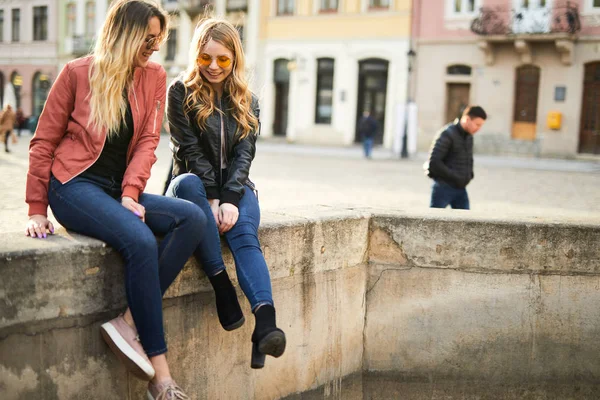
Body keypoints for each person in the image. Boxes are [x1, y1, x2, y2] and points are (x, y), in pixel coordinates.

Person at [24, 1, 201, 398]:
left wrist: (129, 194)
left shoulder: (154, 76)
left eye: (160, 39)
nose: (155, 46)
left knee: (191, 218)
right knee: (139, 240)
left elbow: (148, 142)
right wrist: (37, 208)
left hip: (115, 188)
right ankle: (162, 379)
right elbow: (43, 142)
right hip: (72, 185)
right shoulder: (76, 73)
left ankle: (127, 323)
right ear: (125, 32)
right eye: (149, 38)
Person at [166, 18, 286, 369]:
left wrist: (231, 198)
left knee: (245, 235)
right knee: (189, 184)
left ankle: (265, 324)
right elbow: (189, 149)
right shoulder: (180, 92)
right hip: (190, 186)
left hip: (236, 187)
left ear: (235, 59)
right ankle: (222, 288)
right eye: (206, 58)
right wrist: (214, 198)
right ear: (196, 57)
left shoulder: (249, 100)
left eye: (223, 59)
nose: (214, 67)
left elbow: (245, 154)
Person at [424, 105, 487, 210]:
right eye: (477, 124)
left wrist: (469, 175)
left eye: (481, 126)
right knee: (435, 222)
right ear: (467, 119)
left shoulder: (469, 136)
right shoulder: (447, 134)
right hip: (443, 188)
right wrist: (455, 177)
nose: (479, 129)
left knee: (466, 223)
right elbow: (434, 162)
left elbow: (469, 159)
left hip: (461, 189)